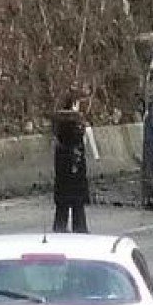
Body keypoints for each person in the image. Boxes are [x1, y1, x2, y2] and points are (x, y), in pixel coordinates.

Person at [51, 96, 90, 233]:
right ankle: (80, 232)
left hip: (62, 177)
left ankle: (59, 231)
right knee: (78, 210)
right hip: (76, 176)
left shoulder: (59, 128)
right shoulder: (75, 125)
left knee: (61, 210)